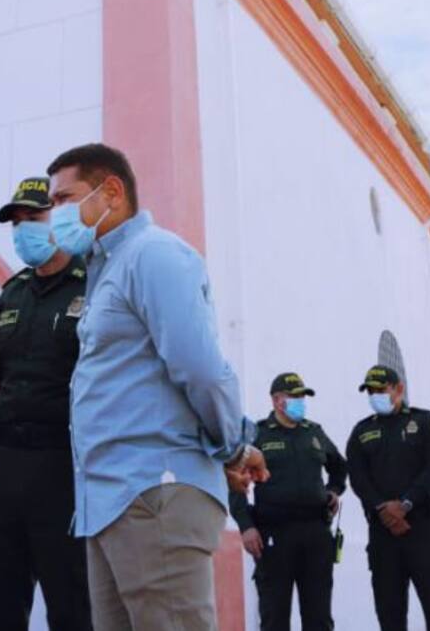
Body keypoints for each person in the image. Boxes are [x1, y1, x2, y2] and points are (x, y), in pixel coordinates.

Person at [46, 144, 267, 630]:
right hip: (109, 503)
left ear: (112, 191)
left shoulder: (154, 255)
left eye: (65, 199)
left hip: (154, 494)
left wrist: (233, 446)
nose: (55, 214)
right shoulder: (104, 272)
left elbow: (202, 368)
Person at [0, 177, 92, 631]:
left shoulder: (92, 282)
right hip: (6, 465)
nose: (23, 231)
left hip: (66, 467)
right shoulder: (12, 293)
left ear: (59, 218)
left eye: (32, 219)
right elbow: (1, 368)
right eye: (16, 223)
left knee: (74, 601)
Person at [230, 373, 346, 631]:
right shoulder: (257, 435)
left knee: (319, 618)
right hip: (274, 537)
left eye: (302, 396)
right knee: (274, 617)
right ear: (276, 400)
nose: (300, 401)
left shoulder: (314, 433)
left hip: (315, 534)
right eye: (294, 396)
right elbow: (235, 483)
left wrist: (334, 490)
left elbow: (339, 466)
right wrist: (246, 526)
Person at [346, 365, 430, 630]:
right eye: (370, 391)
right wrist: (383, 508)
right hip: (383, 534)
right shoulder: (361, 432)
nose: (375, 395)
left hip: (423, 530)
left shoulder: (424, 422)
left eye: (381, 390)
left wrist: (406, 503)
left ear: (399, 389)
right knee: (389, 611)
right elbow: (358, 478)